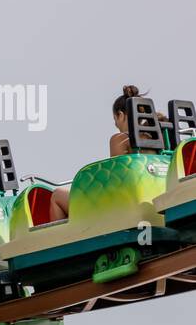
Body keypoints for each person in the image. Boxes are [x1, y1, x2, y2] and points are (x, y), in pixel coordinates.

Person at [47, 84, 158, 222]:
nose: (115, 124)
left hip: (120, 206)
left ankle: (62, 241)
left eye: (115, 119)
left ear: (120, 115)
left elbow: (117, 179)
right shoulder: (157, 139)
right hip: (152, 199)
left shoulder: (120, 139)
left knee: (57, 195)